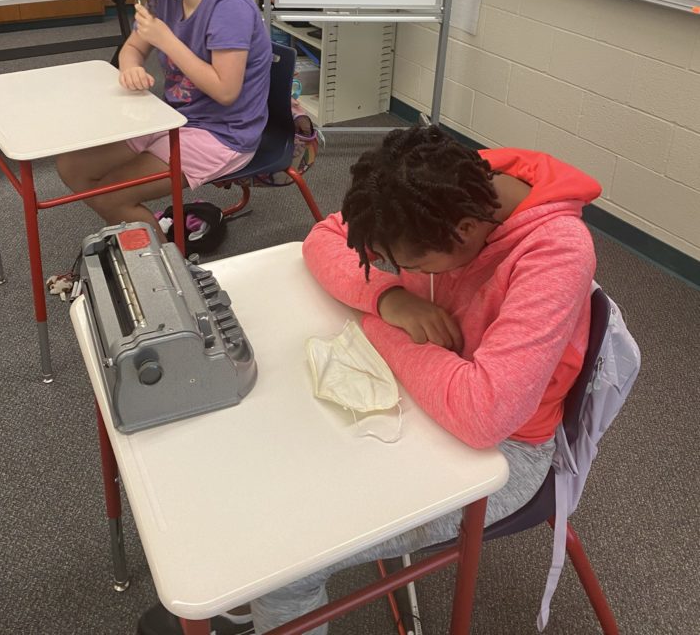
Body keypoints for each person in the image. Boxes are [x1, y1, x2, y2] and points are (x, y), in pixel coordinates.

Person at [138, 123, 602, 635]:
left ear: (468, 231)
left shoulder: (555, 253)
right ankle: (256, 599)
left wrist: (375, 324)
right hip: (424, 395)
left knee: (288, 560)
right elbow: (323, 237)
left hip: (502, 456)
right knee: (265, 459)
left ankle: (269, 596)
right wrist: (389, 296)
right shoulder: (438, 188)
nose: (392, 268)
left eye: (410, 264)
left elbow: (485, 413)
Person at [55, 0, 271, 239]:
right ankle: (141, 224)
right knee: (71, 166)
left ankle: (162, 269)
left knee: (111, 194)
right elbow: (132, 49)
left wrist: (167, 40)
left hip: (224, 133)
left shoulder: (229, 5)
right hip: (174, 116)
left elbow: (226, 92)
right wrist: (130, 68)